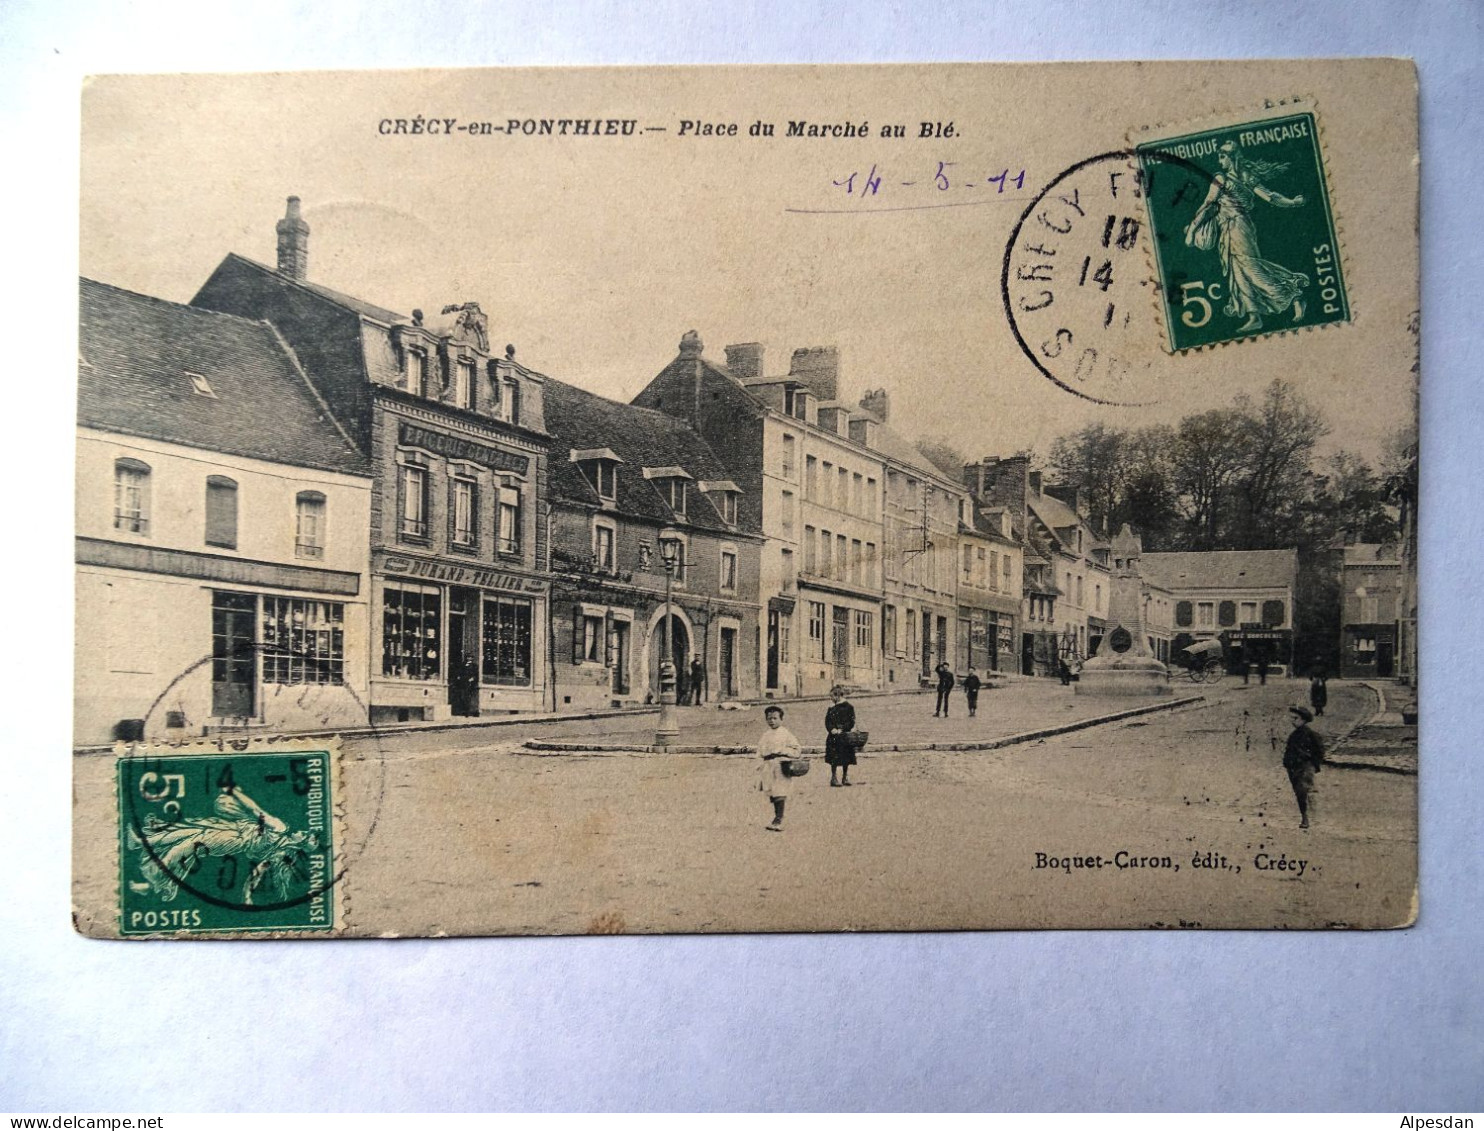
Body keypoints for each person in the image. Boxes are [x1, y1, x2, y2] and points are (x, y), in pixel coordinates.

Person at [1183, 140, 1310, 333]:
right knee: (1238, 270)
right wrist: (1193, 226)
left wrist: (1292, 202)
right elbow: (1208, 204)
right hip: (1230, 228)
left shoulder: (1231, 178)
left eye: (1222, 156)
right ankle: (1254, 316)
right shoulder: (1239, 177)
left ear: (1232, 158)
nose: (1220, 160)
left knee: (1249, 266)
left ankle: (1292, 295)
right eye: (1219, 156)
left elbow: (1270, 196)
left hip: (1238, 227)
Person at [756, 704, 801, 831]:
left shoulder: (785, 734)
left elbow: (797, 750)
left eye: (775, 718)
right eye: (769, 718)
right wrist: (759, 764)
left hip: (781, 766)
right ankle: (777, 817)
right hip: (768, 766)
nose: (772, 721)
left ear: (781, 719)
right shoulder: (765, 735)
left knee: (780, 792)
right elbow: (760, 751)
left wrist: (783, 751)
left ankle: (779, 819)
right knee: (772, 793)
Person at [1283, 705, 1325, 830]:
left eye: (1296, 718)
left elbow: (1319, 751)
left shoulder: (1311, 735)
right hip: (1293, 768)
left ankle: (1310, 817)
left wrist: (1314, 765)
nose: (1293, 721)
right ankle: (1305, 816)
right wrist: (1287, 763)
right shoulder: (1293, 736)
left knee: (1305, 790)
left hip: (1305, 766)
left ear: (1303, 720)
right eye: (1292, 718)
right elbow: (1289, 751)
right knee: (1299, 792)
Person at [824, 685, 857, 787]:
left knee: (846, 757)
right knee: (834, 758)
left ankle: (845, 777)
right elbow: (827, 721)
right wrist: (832, 729)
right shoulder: (831, 708)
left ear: (838, 696)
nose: (831, 699)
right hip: (833, 737)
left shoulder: (849, 707)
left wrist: (842, 729)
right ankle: (834, 778)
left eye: (832, 696)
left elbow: (851, 721)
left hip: (844, 736)